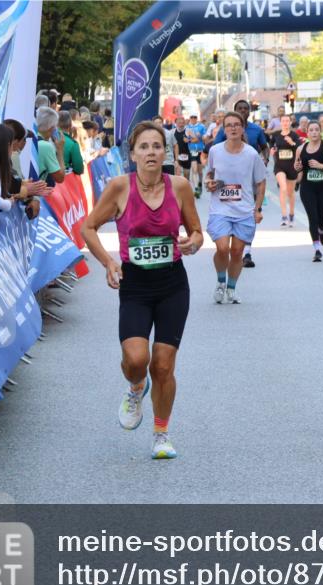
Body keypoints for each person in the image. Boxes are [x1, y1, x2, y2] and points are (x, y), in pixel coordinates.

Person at [80, 120, 203, 460]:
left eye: (157, 146)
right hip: (134, 285)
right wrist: (108, 261)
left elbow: (196, 231)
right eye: (144, 147)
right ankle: (136, 387)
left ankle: (161, 433)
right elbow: (88, 227)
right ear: (132, 154)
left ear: (165, 151)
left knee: (163, 365)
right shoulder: (120, 187)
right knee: (137, 360)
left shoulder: (179, 186)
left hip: (172, 283)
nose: (151, 152)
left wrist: (192, 243)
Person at [205, 111, 267, 304]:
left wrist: (257, 209)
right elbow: (209, 175)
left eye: (236, 125)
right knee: (222, 248)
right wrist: (209, 183)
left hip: (244, 210)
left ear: (242, 128)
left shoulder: (251, 154)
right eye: (229, 125)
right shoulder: (215, 151)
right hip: (220, 209)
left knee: (238, 252)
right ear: (224, 129)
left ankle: (231, 288)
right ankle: (220, 282)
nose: (232, 128)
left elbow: (261, 183)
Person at [212, 100, 270, 268]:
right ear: (235, 110)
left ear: (250, 112)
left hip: (250, 179)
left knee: (250, 213)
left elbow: (265, 147)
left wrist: (265, 158)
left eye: (246, 109)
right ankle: (229, 241)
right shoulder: (227, 129)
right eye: (240, 109)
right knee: (230, 211)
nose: (243, 111)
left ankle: (247, 252)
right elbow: (215, 149)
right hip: (230, 180)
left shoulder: (256, 130)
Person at [294, 120, 323, 261]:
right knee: (312, 218)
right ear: (307, 132)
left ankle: (322, 231)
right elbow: (298, 168)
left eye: (316, 130)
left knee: (322, 218)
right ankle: (317, 249)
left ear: (320, 132)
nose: (314, 132)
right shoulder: (300, 149)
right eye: (311, 130)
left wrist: (321, 166)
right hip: (307, 188)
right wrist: (297, 168)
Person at [270, 113, 301, 227]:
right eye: (283, 121)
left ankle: (291, 214)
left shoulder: (294, 135)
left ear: (290, 122)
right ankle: (284, 216)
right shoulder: (276, 135)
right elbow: (271, 145)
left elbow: (299, 147)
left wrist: (292, 143)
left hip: (291, 166)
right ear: (280, 122)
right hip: (279, 166)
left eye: (287, 121)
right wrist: (272, 150)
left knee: (290, 193)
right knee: (283, 188)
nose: (285, 123)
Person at [34, 106, 66, 185]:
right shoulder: (46, 146)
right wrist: (60, 151)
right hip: (35, 194)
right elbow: (60, 178)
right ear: (51, 129)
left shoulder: (29, 138)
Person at [57, 110, 85, 175]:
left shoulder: (47, 138)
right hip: (63, 181)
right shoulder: (73, 144)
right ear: (70, 125)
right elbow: (79, 169)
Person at [184, 114, 206, 196]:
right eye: (191, 117)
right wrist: (193, 140)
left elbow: (203, 137)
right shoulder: (187, 127)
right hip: (192, 151)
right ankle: (196, 188)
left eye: (195, 117)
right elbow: (185, 139)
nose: (193, 118)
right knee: (194, 170)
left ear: (197, 118)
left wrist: (201, 137)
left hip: (200, 151)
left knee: (200, 171)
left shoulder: (201, 126)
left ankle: (200, 184)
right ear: (189, 118)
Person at [172, 116, 192, 184]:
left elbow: (196, 139)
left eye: (183, 123)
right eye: (179, 122)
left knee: (186, 174)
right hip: (176, 155)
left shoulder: (188, 131)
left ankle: (186, 187)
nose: (181, 124)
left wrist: (189, 140)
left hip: (186, 154)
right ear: (176, 123)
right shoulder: (172, 132)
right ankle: (178, 191)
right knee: (178, 174)